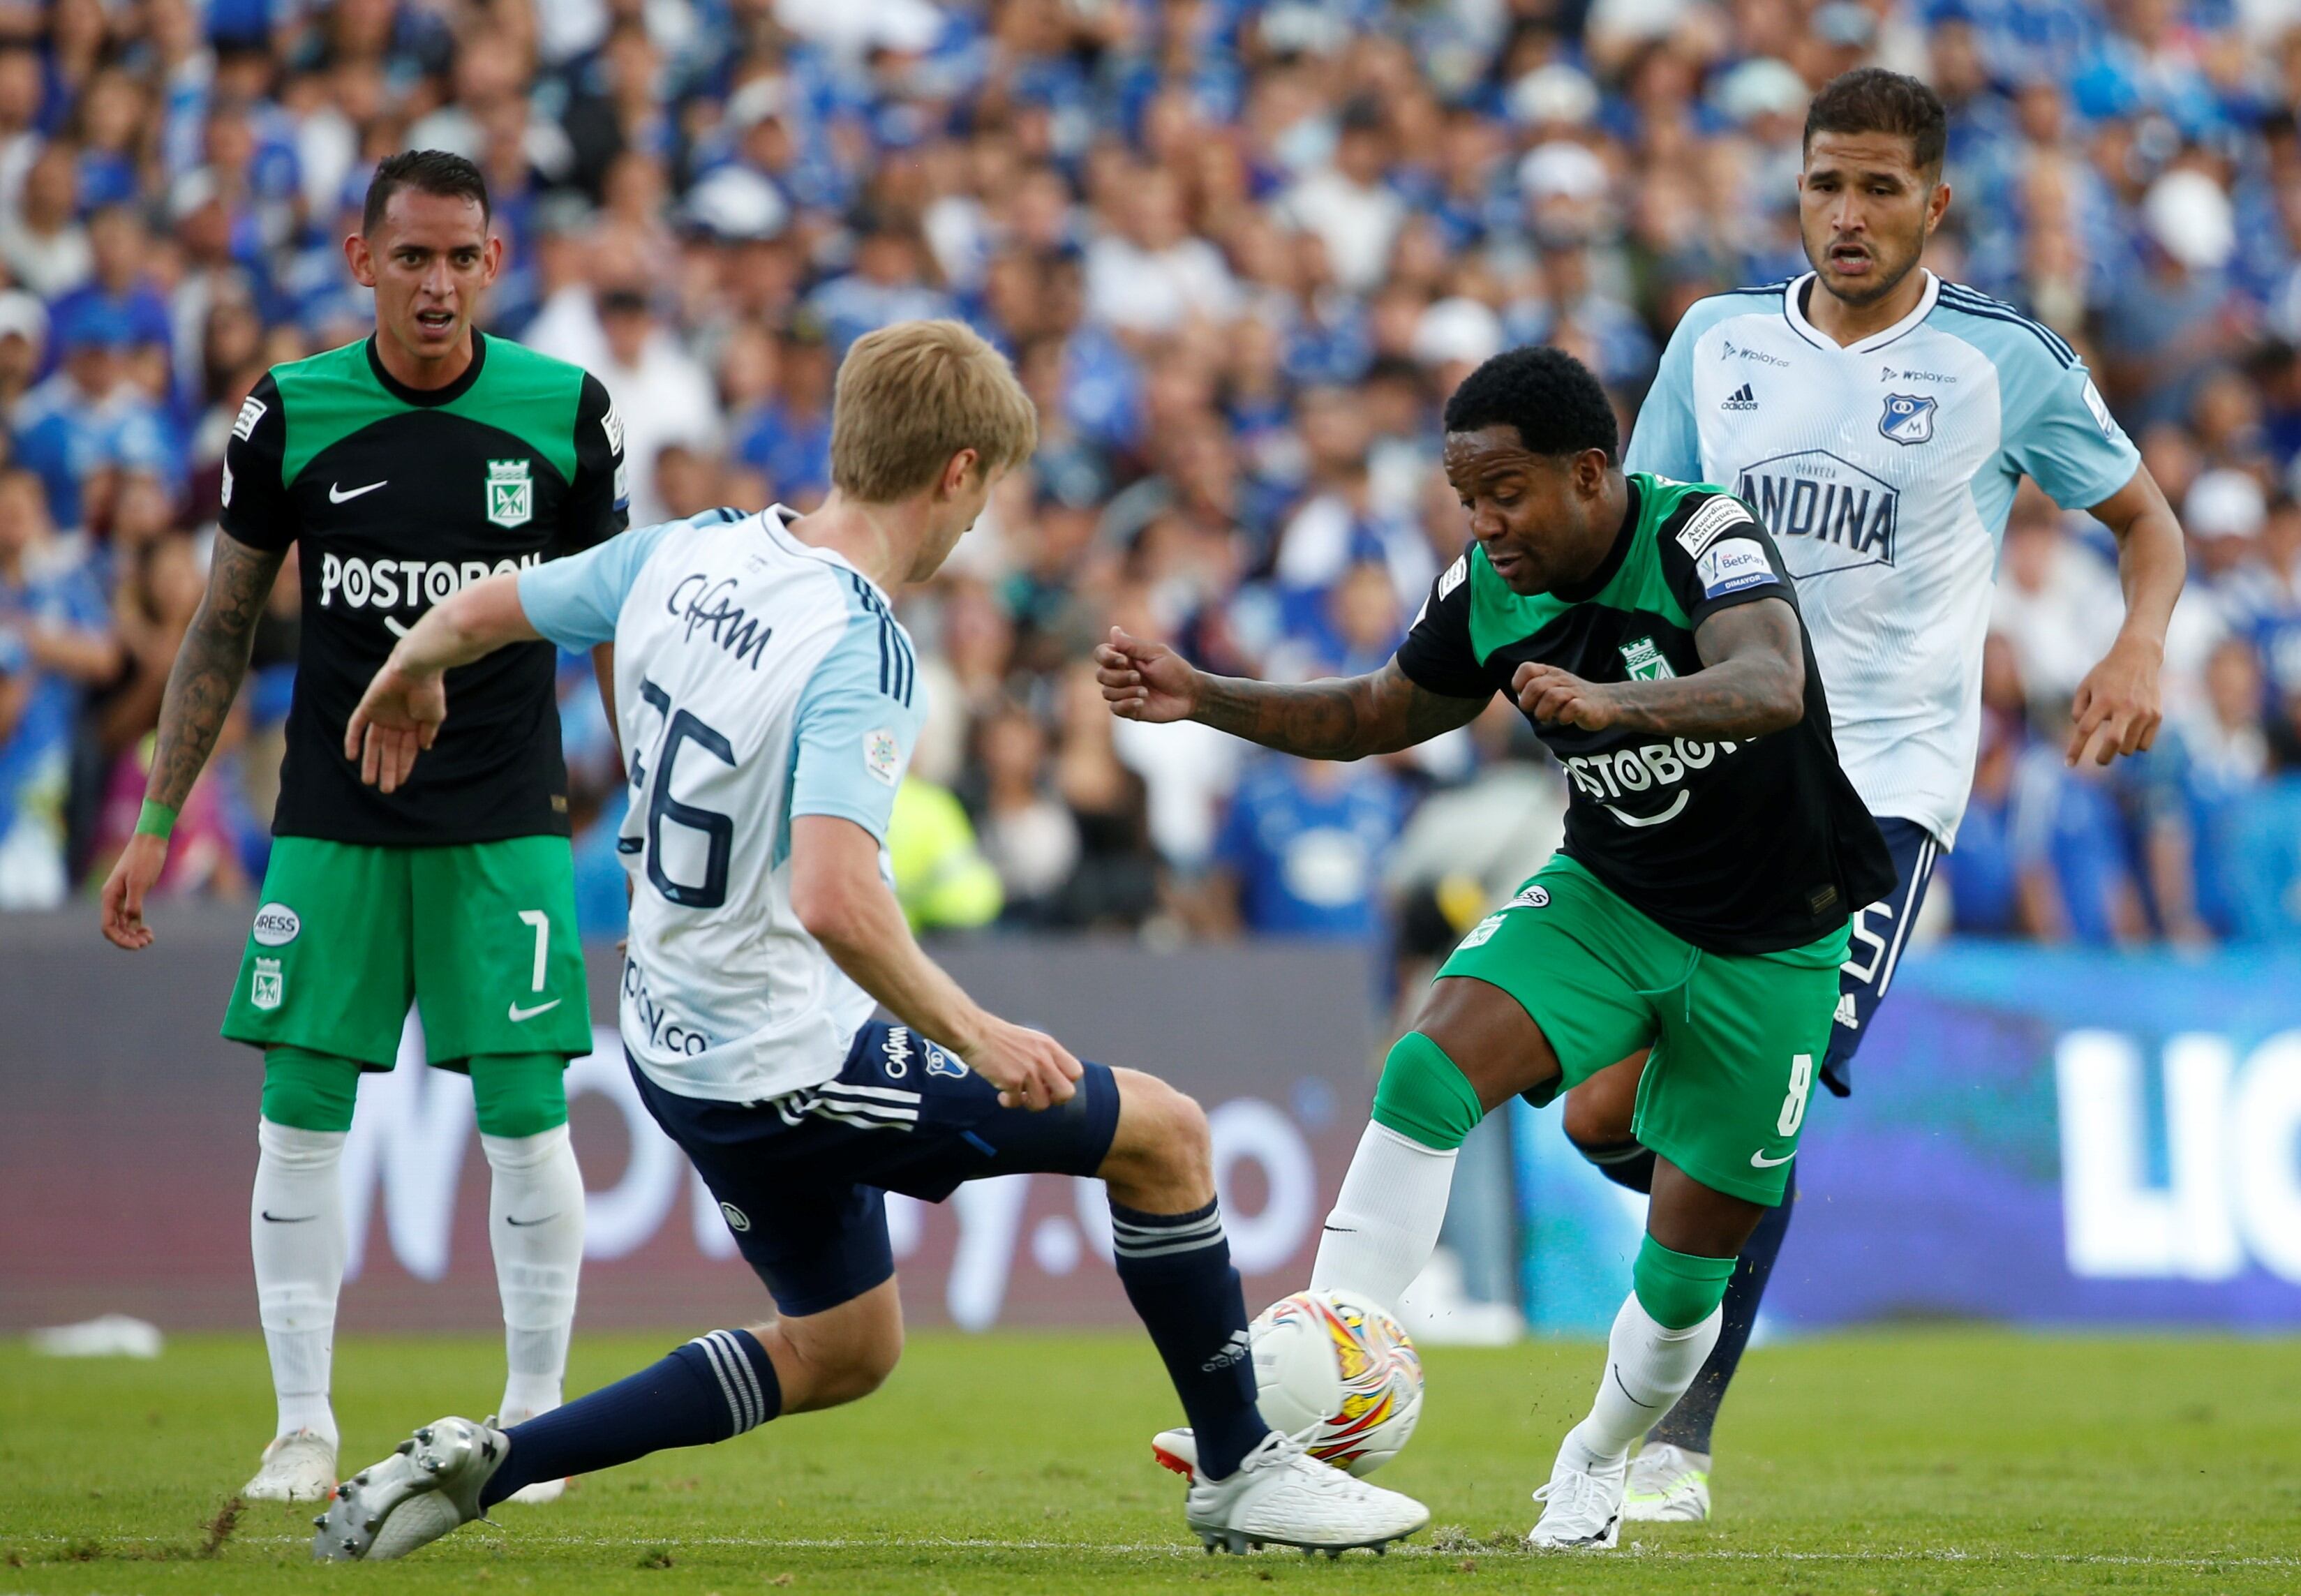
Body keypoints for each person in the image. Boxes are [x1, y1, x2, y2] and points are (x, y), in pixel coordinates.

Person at [313, 320, 1429, 1563]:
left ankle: (492, 1466)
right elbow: (837, 896)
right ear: (956, 472)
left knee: (847, 1348)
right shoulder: (859, 643)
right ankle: (1238, 1470)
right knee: (1166, 1139)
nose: (977, 520)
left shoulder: (693, 551)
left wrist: (410, 667)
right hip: (788, 1052)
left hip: (674, 1039)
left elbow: (484, 607)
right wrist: (980, 1033)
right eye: (987, 488)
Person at [1101, 345, 1897, 1550]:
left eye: (1504, 494)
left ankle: (1594, 1458)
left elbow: (1771, 680)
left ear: (1589, 474)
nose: (1483, 523)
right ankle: (1310, 1397)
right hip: (1611, 896)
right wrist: (1201, 693)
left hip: (1776, 940)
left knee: (1685, 1288)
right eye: (1467, 499)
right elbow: (1376, 713)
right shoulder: (1485, 585)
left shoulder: (1700, 538)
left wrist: (1620, 705)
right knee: (1427, 1066)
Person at [1574, 68, 2189, 1521]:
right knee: (1605, 1113)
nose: (1845, 216)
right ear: (1794, 189)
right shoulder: (1717, 340)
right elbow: (1638, 539)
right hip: (1708, 767)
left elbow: (2145, 520)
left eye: (1875, 188)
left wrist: (2138, 641)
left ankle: (1676, 1441)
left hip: (1877, 794)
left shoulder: (2002, 360)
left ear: (1934, 201)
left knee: (1752, 1091)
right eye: (1822, 184)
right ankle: (1724, 1216)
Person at [98, 151, 629, 1505]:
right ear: (360, 258)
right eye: (412, 258)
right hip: (332, 815)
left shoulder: (567, 416)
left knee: (525, 1115)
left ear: (494, 266)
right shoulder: (290, 411)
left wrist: (638, 801)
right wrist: (159, 816)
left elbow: (616, 618)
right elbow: (223, 619)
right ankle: (300, 1429)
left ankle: (533, 1425)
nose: (437, 284)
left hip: (505, 813)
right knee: (298, 1114)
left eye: (461, 257)